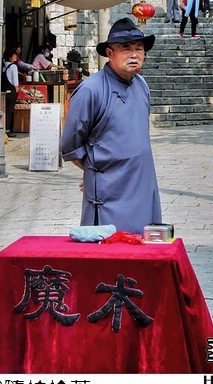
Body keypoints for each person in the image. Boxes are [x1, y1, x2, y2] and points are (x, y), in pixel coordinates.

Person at [61, 17, 162, 234]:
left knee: (143, 247)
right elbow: (70, 146)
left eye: (139, 48)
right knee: (110, 247)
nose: (134, 54)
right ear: (110, 53)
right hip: (110, 194)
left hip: (143, 185)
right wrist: (94, 172)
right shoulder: (91, 90)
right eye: (126, 48)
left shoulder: (142, 85)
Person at [1, 49, 19, 137]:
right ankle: (8, 130)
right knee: (10, 111)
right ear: (10, 57)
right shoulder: (13, 67)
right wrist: (17, 91)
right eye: (14, 55)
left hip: (4, 92)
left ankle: (5, 128)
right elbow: (15, 81)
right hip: (12, 92)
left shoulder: (3, 67)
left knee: (5, 111)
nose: (16, 57)